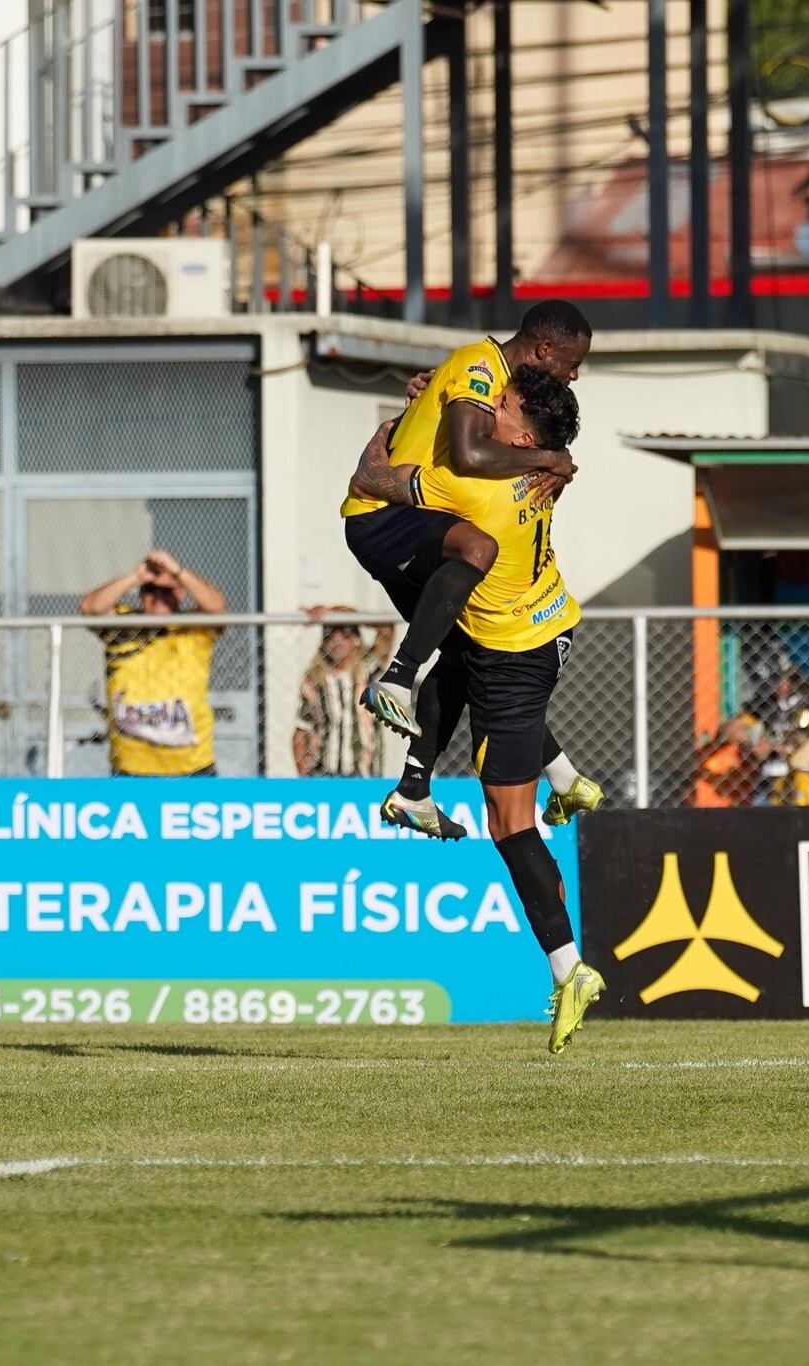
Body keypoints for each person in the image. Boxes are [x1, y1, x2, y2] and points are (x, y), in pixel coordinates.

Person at [341, 301, 603, 839]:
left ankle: (417, 790)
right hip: (386, 514)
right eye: (573, 363)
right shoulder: (480, 367)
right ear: (544, 349)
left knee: (470, 653)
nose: (575, 375)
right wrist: (548, 459)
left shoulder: (495, 385)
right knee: (479, 550)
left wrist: (554, 459)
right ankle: (397, 679)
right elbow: (467, 455)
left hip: (416, 514)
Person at [403, 364, 603, 1053]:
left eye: (504, 402)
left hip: (515, 658)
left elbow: (380, 480)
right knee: (459, 661)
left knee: (510, 825)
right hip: (552, 622)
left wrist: (407, 420)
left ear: (521, 436)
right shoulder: (539, 470)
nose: (489, 401)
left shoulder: (476, 487)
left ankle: (569, 969)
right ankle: (567, 780)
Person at [79, 548, 227, 777]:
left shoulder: (194, 627)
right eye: (151, 590)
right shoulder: (124, 625)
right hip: (131, 768)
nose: (158, 597)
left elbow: (216, 607)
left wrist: (178, 572)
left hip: (193, 767)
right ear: (141, 595)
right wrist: (136, 576)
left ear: (181, 594)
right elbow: (91, 608)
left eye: (166, 591)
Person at [293, 607, 391, 777]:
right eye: (330, 633)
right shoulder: (314, 679)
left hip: (363, 775)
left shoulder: (367, 671)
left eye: (345, 633)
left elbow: (387, 628)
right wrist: (304, 772)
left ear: (356, 639)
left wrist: (336, 612)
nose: (337, 639)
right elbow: (301, 730)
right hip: (323, 774)